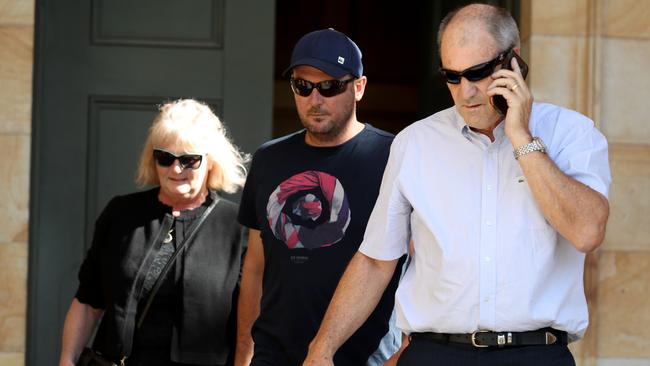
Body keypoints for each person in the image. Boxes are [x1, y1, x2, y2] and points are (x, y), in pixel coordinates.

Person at [303, 4, 611, 366]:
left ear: (514, 61)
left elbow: (587, 232)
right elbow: (375, 260)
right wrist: (321, 349)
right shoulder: (415, 143)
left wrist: (521, 137)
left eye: (478, 73)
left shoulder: (572, 133)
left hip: (536, 353)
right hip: (435, 353)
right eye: (452, 76)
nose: (466, 93)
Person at [235, 28, 404, 366]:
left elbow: (427, 264)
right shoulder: (268, 159)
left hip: (364, 357)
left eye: (329, 86)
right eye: (303, 86)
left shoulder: (395, 156)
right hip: (273, 356)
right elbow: (255, 267)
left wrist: (401, 356)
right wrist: (244, 354)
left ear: (359, 87)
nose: (315, 99)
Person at [59, 99, 249, 366]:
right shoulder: (121, 214)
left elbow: (249, 326)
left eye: (189, 159)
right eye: (165, 157)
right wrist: (66, 360)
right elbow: (88, 300)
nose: (176, 169)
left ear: (211, 161)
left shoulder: (238, 227)